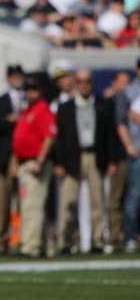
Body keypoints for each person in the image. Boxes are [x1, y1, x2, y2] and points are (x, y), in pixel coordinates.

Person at [54, 69, 112, 254]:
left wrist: (112, 160)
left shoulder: (102, 105)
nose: (84, 84)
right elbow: (60, 138)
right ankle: (65, 241)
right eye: (80, 81)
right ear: (75, 84)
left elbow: (109, 136)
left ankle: (97, 240)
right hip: (73, 157)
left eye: (87, 81)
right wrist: (59, 162)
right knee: (68, 201)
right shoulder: (66, 108)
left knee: (97, 200)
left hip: (94, 155)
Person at [13, 74, 57, 258]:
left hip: (35, 162)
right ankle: (37, 243)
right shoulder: (28, 110)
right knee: (27, 205)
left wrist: (39, 160)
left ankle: (31, 246)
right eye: (28, 90)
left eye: (33, 90)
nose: (30, 93)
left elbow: (49, 136)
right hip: (25, 162)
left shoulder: (42, 109)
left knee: (33, 204)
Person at [0, 64, 24, 254]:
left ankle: (20, 240)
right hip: (4, 156)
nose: (16, 79)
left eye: (18, 75)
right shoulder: (0, 100)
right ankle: (0, 241)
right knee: (2, 202)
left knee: (23, 200)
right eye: (13, 76)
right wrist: (16, 120)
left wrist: (15, 119)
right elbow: (2, 124)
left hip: (23, 155)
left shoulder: (28, 98)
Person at [115, 58, 140, 252]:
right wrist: (128, 145)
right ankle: (130, 235)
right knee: (134, 194)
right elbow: (122, 122)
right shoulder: (129, 92)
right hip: (137, 149)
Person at [105, 70, 130, 252]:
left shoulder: (129, 101)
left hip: (132, 155)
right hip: (118, 156)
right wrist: (111, 159)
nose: (125, 86)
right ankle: (116, 234)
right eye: (122, 82)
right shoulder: (109, 103)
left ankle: (130, 233)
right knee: (115, 198)